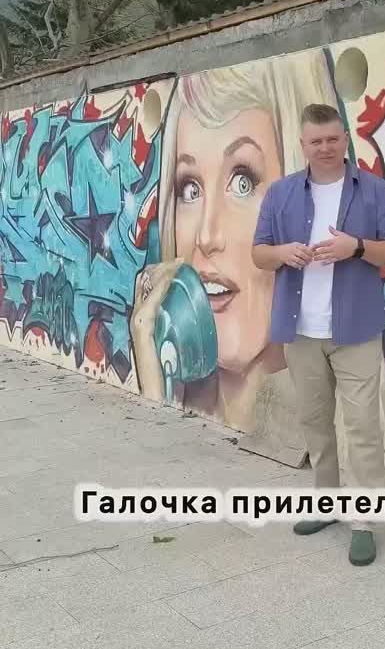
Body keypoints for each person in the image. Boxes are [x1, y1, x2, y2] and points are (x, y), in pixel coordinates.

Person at [130, 51, 339, 432]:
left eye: (243, 182)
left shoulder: (340, 426)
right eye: (189, 189)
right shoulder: (177, 393)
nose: (206, 236)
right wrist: (152, 380)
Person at [252, 103, 385, 566]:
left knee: (362, 428)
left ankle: (364, 522)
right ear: (303, 145)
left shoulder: (374, 190)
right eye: (316, 141)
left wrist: (354, 247)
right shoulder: (280, 193)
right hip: (301, 331)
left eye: (333, 139)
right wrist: (283, 252)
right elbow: (259, 254)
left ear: (345, 139)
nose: (325, 148)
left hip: (355, 328)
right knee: (315, 424)